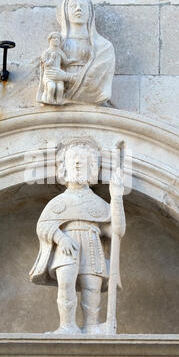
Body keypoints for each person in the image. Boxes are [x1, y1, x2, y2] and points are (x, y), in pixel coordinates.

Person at [29, 139, 126, 335]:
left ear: (92, 168)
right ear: (64, 168)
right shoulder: (59, 202)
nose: (78, 164)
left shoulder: (98, 203)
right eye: (73, 159)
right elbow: (44, 225)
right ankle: (67, 325)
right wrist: (59, 237)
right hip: (68, 246)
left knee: (92, 288)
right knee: (65, 285)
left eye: (83, 160)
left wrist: (116, 197)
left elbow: (117, 231)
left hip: (91, 244)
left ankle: (91, 325)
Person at [37, 0, 115, 106]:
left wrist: (65, 76)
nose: (78, 8)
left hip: (89, 93)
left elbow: (97, 78)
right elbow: (48, 66)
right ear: (65, 13)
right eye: (73, 6)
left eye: (83, 6)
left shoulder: (104, 46)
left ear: (90, 14)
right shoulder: (57, 44)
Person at [37, 32, 76, 105]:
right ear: (50, 40)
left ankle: (59, 101)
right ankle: (49, 100)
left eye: (58, 38)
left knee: (60, 88)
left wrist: (74, 61)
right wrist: (52, 59)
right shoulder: (47, 52)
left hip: (58, 75)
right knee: (51, 87)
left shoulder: (59, 52)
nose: (56, 39)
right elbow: (45, 64)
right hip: (49, 75)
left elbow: (65, 62)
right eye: (54, 38)